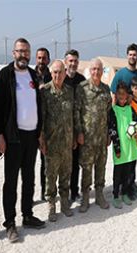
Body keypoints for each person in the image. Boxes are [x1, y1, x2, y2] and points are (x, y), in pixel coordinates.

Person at [0, 38, 46, 242]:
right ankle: (10, 223)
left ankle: (27, 215)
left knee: (29, 178)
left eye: (26, 51)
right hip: (13, 137)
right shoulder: (5, 75)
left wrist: (39, 133)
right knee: (11, 181)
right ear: (13, 53)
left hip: (31, 136)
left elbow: (37, 105)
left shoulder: (33, 75)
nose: (23, 55)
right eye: (20, 51)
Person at [38, 60, 78, 223]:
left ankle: (64, 203)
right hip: (52, 142)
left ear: (65, 73)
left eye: (60, 72)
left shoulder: (69, 91)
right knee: (51, 175)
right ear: (51, 73)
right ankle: (51, 205)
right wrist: (41, 138)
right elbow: (41, 117)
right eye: (55, 72)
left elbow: (74, 115)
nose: (57, 75)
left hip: (67, 142)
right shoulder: (45, 91)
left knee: (66, 174)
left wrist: (75, 135)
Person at [76, 58, 112, 212]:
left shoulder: (106, 89)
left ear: (102, 71)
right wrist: (79, 132)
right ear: (90, 71)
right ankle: (85, 196)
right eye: (94, 69)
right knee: (86, 168)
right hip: (87, 138)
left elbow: (109, 113)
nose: (96, 72)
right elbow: (76, 112)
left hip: (102, 137)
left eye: (99, 69)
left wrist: (109, 133)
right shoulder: (82, 88)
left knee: (101, 166)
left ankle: (99, 194)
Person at [107, 82, 137, 208]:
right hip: (120, 149)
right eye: (120, 94)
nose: (122, 96)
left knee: (128, 173)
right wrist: (117, 148)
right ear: (116, 95)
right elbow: (112, 130)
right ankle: (116, 195)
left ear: (127, 96)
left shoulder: (130, 109)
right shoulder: (113, 111)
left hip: (130, 148)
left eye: (124, 94)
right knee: (118, 174)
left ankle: (125, 193)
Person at [63, 49, 86, 202]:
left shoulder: (81, 80)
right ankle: (62, 192)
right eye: (70, 61)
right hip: (61, 128)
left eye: (75, 61)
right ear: (66, 62)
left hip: (76, 127)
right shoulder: (60, 77)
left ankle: (74, 191)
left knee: (75, 162)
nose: (73, 63)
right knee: (63, 163)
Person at [36, 47, 51, 202]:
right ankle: (28, 195)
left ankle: (45, 190)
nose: (41, 61)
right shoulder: (29, 75)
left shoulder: (51, 76)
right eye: (39, 58)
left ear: (48, 60)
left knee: (45, 160)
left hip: (45, 125)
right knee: (27, 164)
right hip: (30, 125)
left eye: (44, 58)